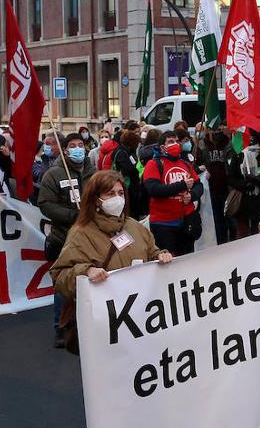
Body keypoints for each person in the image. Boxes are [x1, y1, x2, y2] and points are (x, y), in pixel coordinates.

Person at [50, 169, 172, 301]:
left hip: (140, 308)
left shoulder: (135, 226)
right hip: (104, 312)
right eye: (110, 194)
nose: (117, 199)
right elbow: (59, 277)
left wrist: (160, 256)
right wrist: (86, 272)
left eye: (120, 193)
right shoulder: (80, 233)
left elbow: (151, 252)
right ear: (96, 199)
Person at [37, 132, 95, 347]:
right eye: (73, 145)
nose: (78, 148)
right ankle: (61, 328)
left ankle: (87, 326)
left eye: (81, 144)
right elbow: (45, 203)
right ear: (65, 149)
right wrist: (73, 216)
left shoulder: (94, 173)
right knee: (64, 285)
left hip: (91, 240)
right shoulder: (54, 174)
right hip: (64, 239)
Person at [143, 131, 203, 256]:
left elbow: (198, 185)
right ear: (162, 147)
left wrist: (192, 196)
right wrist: (182, 185)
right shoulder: (154, 164)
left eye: (176, 141)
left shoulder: (185, 164)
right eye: (171, 141)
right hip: (163, 224)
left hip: (186, 221)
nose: (175, 144)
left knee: (187, 258)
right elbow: (153, 189)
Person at [200, 127, 233, 244]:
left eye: (219, 129)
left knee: (229, 219)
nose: (216, 133)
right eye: (213, 130)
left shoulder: (228, 143)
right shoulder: (202, 145)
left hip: (227, 187)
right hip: (211, 189)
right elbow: (197, 163)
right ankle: (220, 243)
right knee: (216, 220)